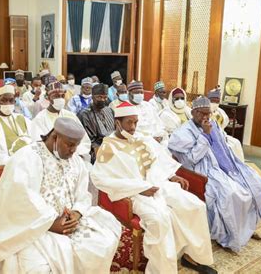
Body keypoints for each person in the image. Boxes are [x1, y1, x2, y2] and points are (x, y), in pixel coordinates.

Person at [0, 117, 121, 273]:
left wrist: (77, 213)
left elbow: (82, 194)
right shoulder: (27, 157)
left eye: (76, 146)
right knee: (38, 268)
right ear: (55, 137)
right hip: (32, 227)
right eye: (70, 145)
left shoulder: (75, 161)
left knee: (103, 240)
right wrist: (51, 223)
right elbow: (20, 199)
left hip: (70, 223)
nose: (73, 151)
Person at [91, 101, 216, 274]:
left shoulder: (142, 137)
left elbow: (160, 159)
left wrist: (172, 175)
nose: (134, 127)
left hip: (159, 184)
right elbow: (100, 178)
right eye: (129, 122)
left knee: (195, 205)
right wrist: (139, 188)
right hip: (134, 193)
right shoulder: (108, 147)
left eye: (136, 122)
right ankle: (161, 270)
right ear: (117, 123)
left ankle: (192, 257)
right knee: (160, 219)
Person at [169, 96, 261, 252]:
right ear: (193, 112)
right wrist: (204, 136)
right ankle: (229, 237)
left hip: (224, 166)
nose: (206, 117)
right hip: (203, 170)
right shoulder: (183, 133)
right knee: (231, 195)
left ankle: (246, 229)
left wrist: (234, 166)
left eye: (208, 113)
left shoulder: (213, 124)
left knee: (255, 185)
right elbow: (190, 161)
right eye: (202, 113)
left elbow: (224, 148)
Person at [30, 80, 91, 160]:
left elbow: (84, 140)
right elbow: (38, 143)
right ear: (49, 98)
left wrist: (74, 154)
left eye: (62, 96)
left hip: (74, 157)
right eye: (56, 96)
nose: (60, 99)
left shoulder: (70, 116)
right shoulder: (40, 119)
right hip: (49, 159)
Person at [78, 83, 114, 163]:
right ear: (92, 97)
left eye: (105, 97)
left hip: (112, 147)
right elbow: (90, 141)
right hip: (94, 152)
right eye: (99, 97)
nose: (102, 100)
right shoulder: (84, 114)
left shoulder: (109, 110)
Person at [208, 87, 245, 162]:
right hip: (209, 137)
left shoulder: (220, 111)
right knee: (227, 148)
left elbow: (224, 124)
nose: (215, 103)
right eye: (213, 101)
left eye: (217, 101)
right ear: (208, 100)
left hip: (221, 135)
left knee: (236, 143)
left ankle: (239, 165)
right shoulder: (204, 111)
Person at [127, 80, 169, 146]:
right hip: (140, 143)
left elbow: (159, 124)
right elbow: (130, 133)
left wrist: (160, 136)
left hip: (157, 140)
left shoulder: (148, 105)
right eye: (136, 93)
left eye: (141, 92)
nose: (140, 95)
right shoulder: (126, 109)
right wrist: (151, 140)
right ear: (129, 94)